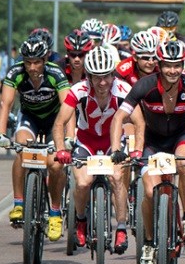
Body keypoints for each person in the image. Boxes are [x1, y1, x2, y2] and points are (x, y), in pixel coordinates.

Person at [109, 40, 185, 264]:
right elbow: (119, 117)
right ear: (159, 65)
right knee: (149, 192)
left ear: (183, 65)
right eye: (168, 65)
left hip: (182, 136)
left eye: (177, 65)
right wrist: (117, 149)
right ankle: (149, 242)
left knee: (183, 164)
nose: (173, 70)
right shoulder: (144, 86)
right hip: (153, 142)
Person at [52, 47, 132, 252]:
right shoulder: (78, 90)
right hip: (86, 143)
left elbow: (139, 121)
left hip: (112, 144)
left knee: (116, 178)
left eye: (107, 76)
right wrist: (61, 149)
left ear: (113, 75)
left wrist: (136, 148)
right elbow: (60, 122)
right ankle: (80, 220)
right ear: (88, 77)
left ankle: (121, 228)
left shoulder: (123, 90)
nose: (103, 82)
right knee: (83, 182)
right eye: (97, 78)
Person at [0, 36, 71, 240]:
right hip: (29, 118)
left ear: (45, 60)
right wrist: (1, 133)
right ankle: (19, 203)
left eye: (37, 62)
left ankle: (55, 213)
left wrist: (69, 137)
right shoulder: (15, 72)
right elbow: (6, 104)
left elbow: (69, 107)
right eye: (28, 62)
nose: (32, 67)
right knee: (21, 149)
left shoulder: (55, 73)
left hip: (54, 120)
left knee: (55, 165)